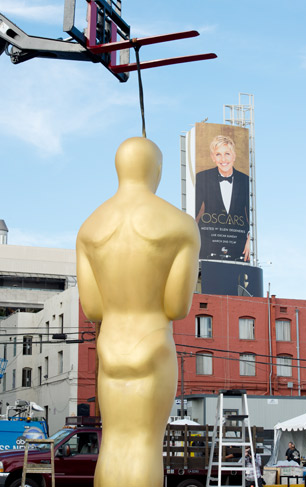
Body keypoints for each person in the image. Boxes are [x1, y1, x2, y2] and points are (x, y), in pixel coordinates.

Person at [76, 137, 200, 487]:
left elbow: (93, 307)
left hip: (111, 345)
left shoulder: (89, 228)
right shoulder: (180, 225)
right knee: (145, 445)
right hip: (152, 342)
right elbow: (176, 306)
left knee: (113, 443)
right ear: (156, 170)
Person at [195, 135, 250, 262]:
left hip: (240, 246)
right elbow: (193, 213)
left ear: (234, 156)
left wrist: (250, 240)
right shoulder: (202, 177)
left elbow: (253, 215)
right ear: (213, 157)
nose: (223, 159)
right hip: (207, 244)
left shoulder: (246, 180)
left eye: (227, 154)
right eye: (218, 154)